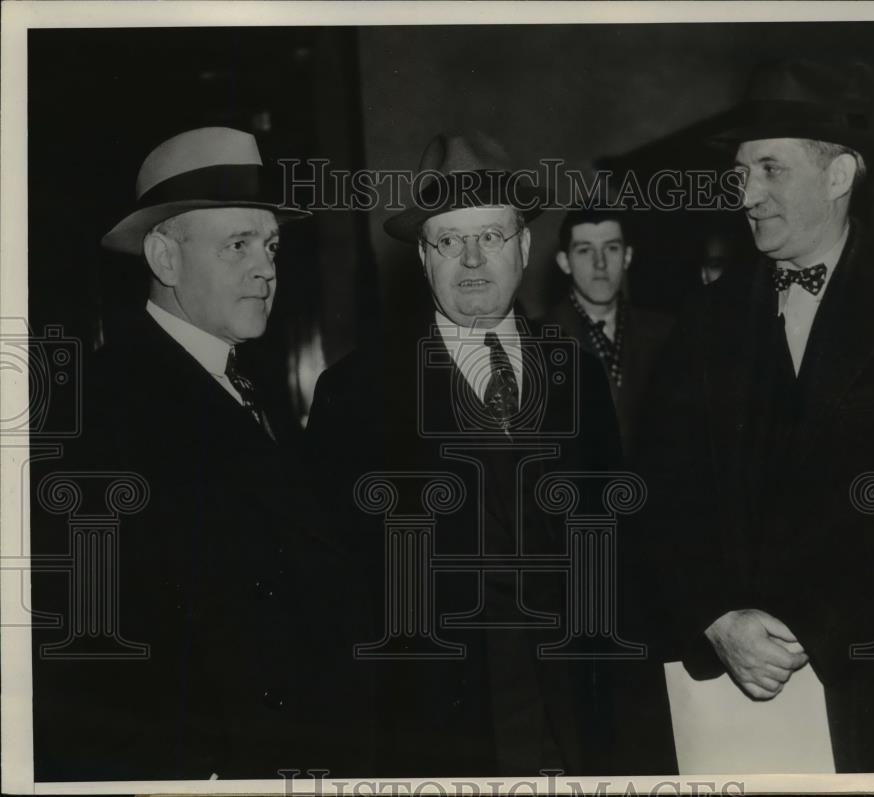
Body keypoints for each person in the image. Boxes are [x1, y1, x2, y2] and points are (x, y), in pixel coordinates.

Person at [306, 132, 676, 776]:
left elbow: (622, 559)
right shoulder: (358, 393)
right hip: (442, 736)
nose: (473, 260)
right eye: (450, 240)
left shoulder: (577, 376)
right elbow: (335, 600)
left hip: (583, 724)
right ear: (423, 258)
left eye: (492, 237)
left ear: (525, 247)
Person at [639, 60, 874, 773]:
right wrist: (717, 618)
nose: (746, 194)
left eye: (768, 169)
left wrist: (811, 630)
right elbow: (662, 495)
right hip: (731, 688)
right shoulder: (704, 319)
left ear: (840, 173)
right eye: (740, 172)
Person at [32, 127, 372, 780]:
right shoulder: (102, 406)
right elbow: (89, 645)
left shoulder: (239, 383)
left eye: (270, 244)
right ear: (164, 257)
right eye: (238, 244)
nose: (267, 267)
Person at [545, 209, 673, 462]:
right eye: (584, 250)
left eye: (611, 248)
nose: (600, 263)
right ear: (564, 262)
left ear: (627, 256)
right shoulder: (536, 339)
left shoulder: (666, 334)